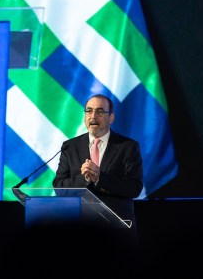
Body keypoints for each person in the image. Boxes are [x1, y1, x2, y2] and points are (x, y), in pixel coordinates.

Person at [52, 94, 143, 231]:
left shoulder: (128, 147)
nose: (93, 116)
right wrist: (85, 178)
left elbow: (134, 188)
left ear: (111, 117)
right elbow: (59, 187)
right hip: (78, 226)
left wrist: (100, 178)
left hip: (116, 228)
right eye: (89, 111)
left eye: (100, 112)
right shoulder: (70, 147)